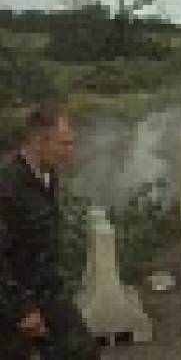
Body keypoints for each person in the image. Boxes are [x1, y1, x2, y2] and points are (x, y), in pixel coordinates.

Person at [0, 103, 101, 359]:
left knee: (83, 352)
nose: (71, 153)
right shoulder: (8, 187)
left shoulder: (47, 176)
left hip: (48, 294)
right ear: (38, 142)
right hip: (13, 303)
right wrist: (22, 309)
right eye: (64, 144)